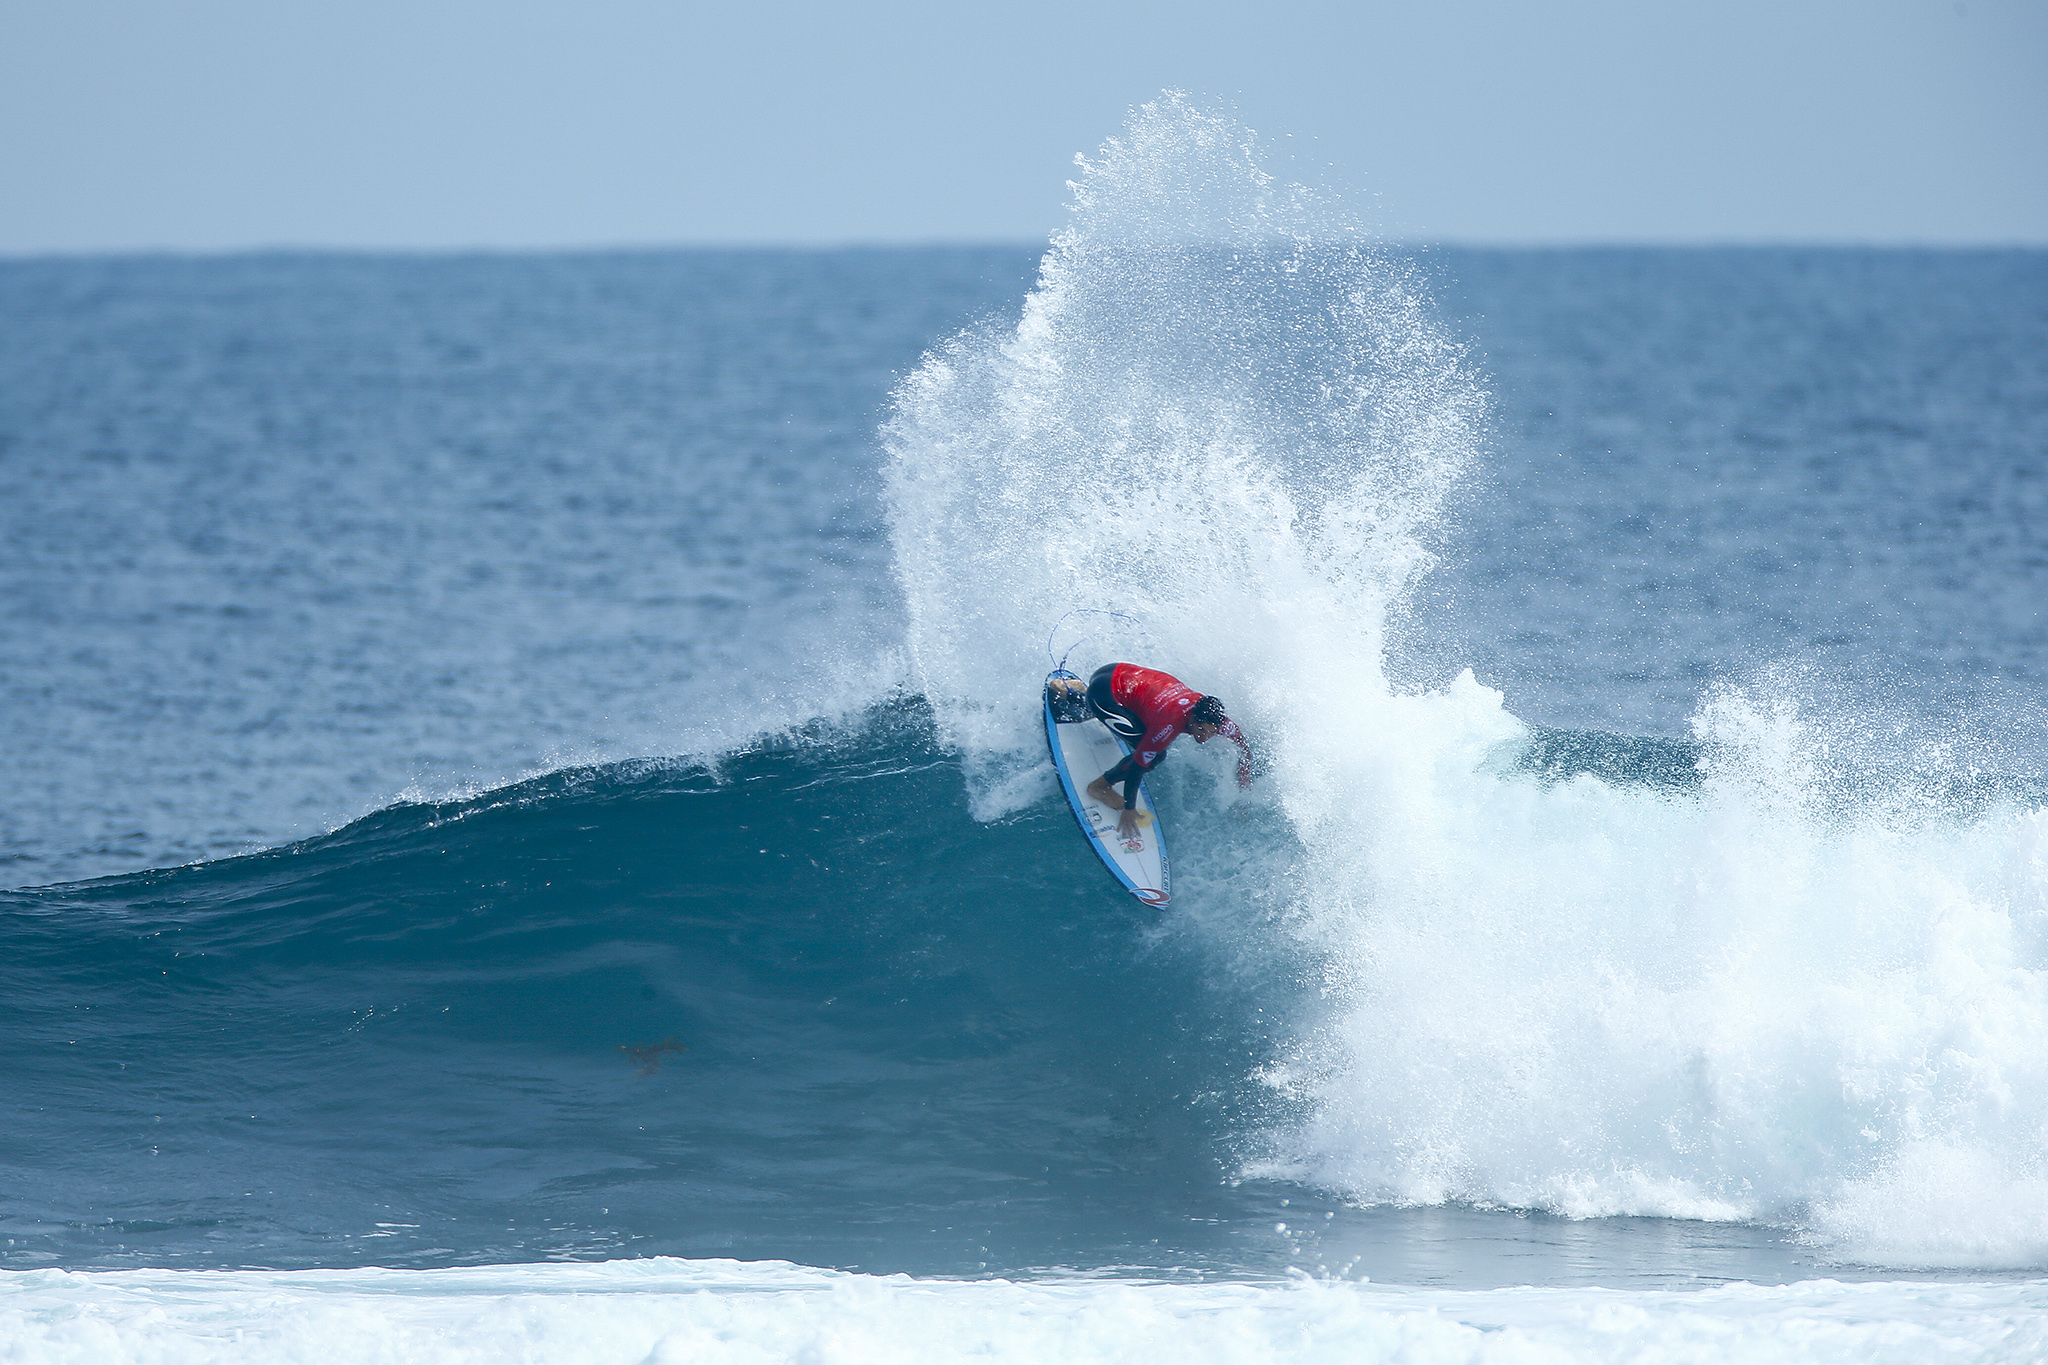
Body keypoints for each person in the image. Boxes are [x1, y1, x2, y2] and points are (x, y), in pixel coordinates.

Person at [1081, 662, 1253, 838]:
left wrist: (1243, 791)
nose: (1205, 737)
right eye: (1201, 729)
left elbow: (1244, 749)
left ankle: (1076, 694)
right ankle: (1100, 786)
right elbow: (1137, 766)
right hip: (1106, 693)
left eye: (1212, 732)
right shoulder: (1170, 723)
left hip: (1118, 672)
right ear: (1192, 719)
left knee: (1145, 721)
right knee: (1155, 756)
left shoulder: (1220, 722)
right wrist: (1129, 808)